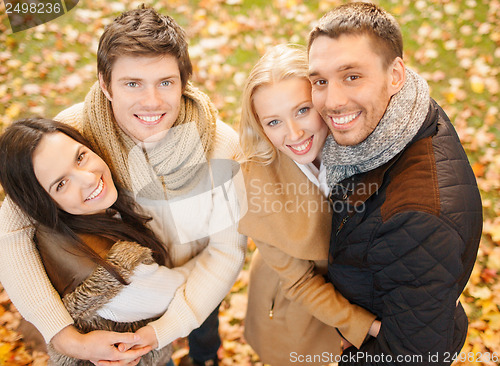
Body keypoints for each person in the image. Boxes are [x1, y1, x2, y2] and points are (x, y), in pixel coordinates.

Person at [0, 5, 246, 366]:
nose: (152, 102)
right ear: (105, 84)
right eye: (132, 83)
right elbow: (11, 231)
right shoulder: (75, 134)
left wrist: (167, 327)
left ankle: (206, 356)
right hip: (126, 285)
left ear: (184, 80)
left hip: (198, 279)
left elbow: (226, 252)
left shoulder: (221, 146)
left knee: (204, 334)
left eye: (166, 82)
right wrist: (65, 337)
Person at [307, 3, 482, 365]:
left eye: (352, 76)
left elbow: (411, 357)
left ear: (396, 74)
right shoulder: (406, 114)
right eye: (320, 81)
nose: (333, 101)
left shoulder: (416, 220)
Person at [0, 117, 198, 365]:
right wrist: (210, 254)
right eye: (61, 184)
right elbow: (183, 290)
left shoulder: (69, 222)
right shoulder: (110, 273)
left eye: (80, 157)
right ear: (41, 203)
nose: (89, 179)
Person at [238, 44, 380, 366]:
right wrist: (365, 325)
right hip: (294, 301)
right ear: (259, 126)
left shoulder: (359, 142)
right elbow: (300, 282)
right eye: (273, 122)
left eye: (302, 110)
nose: (294, 133)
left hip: (360, 288)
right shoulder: (252, 184)